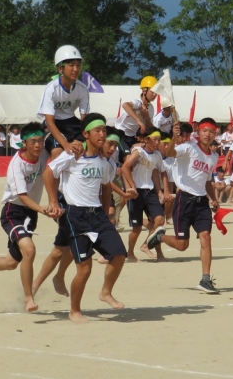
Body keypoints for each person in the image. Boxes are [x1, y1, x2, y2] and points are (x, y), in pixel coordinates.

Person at [43, 113, 127, 323]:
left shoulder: (105, 162)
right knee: (85, 268)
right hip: (75, 215)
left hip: (97, 214)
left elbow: (106, 185)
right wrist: (53, 201)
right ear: (85, 134)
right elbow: (48, 172)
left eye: (104, 131)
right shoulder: (73, 154)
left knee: (119, 254)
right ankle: (75, 310)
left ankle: (105, 292)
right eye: (97, 131)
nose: (102, 134)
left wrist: (110, 212)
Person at [0, 123, 53, 313]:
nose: (38, 145)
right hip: (13, 211)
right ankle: (28, 298)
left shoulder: (44, 154)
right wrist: (43, 209)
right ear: (24, 143)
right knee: (30, 250)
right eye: (33, 142)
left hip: (30, 213)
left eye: (40, 141)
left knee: (11, 263)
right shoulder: (17, 165)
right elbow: (22, 196)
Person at [151, 118, 220, 294]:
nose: (207, 134)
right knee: (182, 246)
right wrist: (174, 136)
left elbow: (206, 181)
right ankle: (159, 236)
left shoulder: (213, 156)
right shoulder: (189, 148)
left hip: (202, 202)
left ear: (215, 134)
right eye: (204, 130)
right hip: (184, 199)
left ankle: (205, 280)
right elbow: (170, 153)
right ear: (199, 132)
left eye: (211, 131)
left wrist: (213, 199)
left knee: (206, 237)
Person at [121, 127, 171, 263]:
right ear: (146, 139)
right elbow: (125, 167)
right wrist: (132, 185)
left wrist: (164, 190)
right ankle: (130, 254)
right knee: (136, 228)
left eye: (159, 140)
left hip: (149, 191)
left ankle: (150, 248)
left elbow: (163, 172)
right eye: (154, 139)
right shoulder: (139, 152)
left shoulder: (157, 155)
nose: (157, 143)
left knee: (159, 221)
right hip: (136, 192)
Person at [37, 45, 90, 159]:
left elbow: (85, 120)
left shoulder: (83, 89)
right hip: (54, 124)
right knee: (58, 153)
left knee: (79, 150)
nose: (76, 69)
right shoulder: (51, 89)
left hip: (72, 123)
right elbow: (49, 122)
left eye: (78, 65)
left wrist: (79, 143)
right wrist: (66, 145)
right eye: (71, 65)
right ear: (60, 68)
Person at [115, 76, 157, 149]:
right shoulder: (138, 103)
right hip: (121, 133)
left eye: (156, 92)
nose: (155, 95)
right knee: (126, 156)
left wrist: (146, 117)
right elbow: (125, 105)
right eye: (152, 91)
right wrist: (139, 121)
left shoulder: (151, 108)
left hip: (134, 137)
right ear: (144, 91)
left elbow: (150, 128)